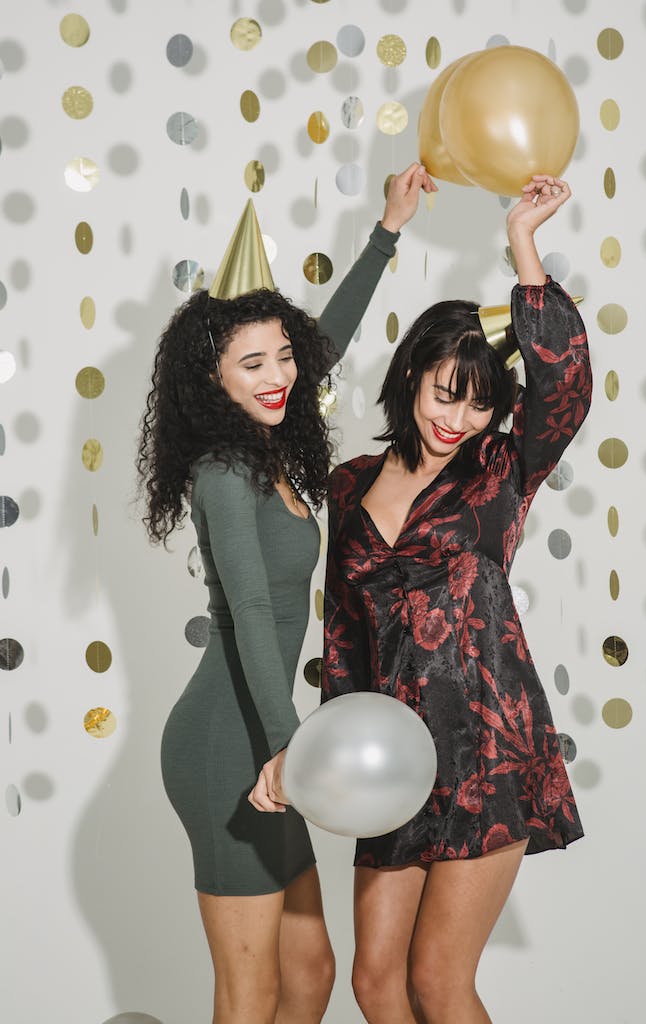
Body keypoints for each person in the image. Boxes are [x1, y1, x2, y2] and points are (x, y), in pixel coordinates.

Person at [136, 162, 437, 1024]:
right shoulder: (224, 471)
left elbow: (322, 344)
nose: (276, 376)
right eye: (251, 363)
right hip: (227, 745)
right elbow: (257, 616)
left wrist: (386, 233)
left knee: (310, 975)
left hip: (266, 740)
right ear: (213, 381)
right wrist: (286, 749)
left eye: (282, 358)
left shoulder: (268, 448)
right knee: (253, 991)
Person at [321, 174, 592, 1024]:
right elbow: (342, 637)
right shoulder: (348, 485)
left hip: (487, 751)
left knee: (439, 984)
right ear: (409, 375)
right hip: (390, 760)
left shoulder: (498, 471)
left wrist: (522, 242)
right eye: (446, 392)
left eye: (480, 404)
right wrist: (332, 762)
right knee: (374, 984)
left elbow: (566, 389)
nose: (460, 418)